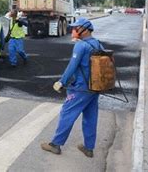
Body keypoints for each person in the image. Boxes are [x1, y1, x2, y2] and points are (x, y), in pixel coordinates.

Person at [41, 18, 103, 158]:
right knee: (90, 117)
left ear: (85, 30)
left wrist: (62, 82)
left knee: (67, 113)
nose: (73, 30)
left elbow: (72, 66)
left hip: (80, 88)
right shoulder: (98, 43)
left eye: (76, 28)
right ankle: (89, 148)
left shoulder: (81, 46)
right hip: (95, 86)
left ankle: (55, 145)